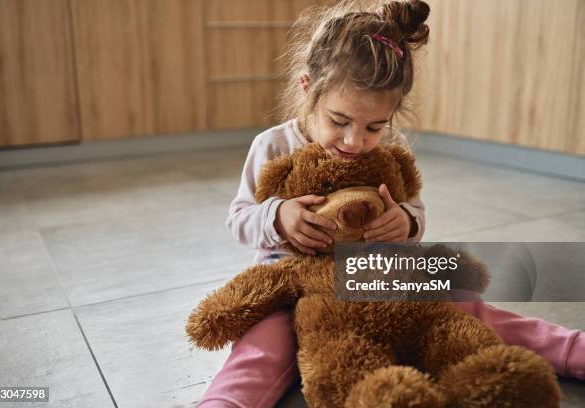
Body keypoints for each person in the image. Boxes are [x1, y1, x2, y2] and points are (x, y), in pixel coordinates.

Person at [197, 1, 584, 406]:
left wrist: (404, 222)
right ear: (307, 88)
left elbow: (415, 211)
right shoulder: (273, 145)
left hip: (379, 270)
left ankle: (572, 349)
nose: (355, 141)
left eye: (374, 127)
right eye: (340, 121)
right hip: (291, 279)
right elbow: (239, 218)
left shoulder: (392, 151)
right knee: (263, 344)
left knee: (466, 304)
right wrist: (277, 215)